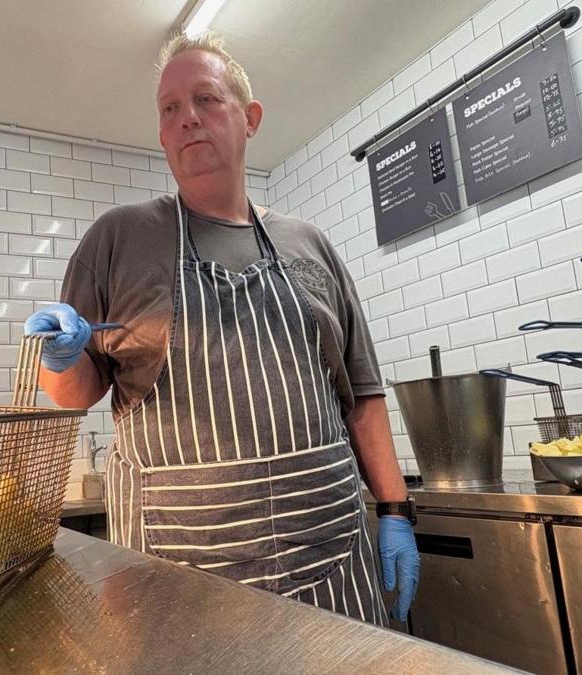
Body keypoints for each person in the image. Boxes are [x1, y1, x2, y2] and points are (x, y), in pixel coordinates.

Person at [24, 33, 419, 625]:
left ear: (250, 117)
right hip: (175, 565)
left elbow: (360, 392)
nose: (187, 119)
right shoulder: (117, 239)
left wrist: (394, 509)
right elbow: (74, 394)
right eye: (170, 109)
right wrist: (59, 358)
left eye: (205, 100)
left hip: (330, 554)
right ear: (161, 135)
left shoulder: (309, 243)